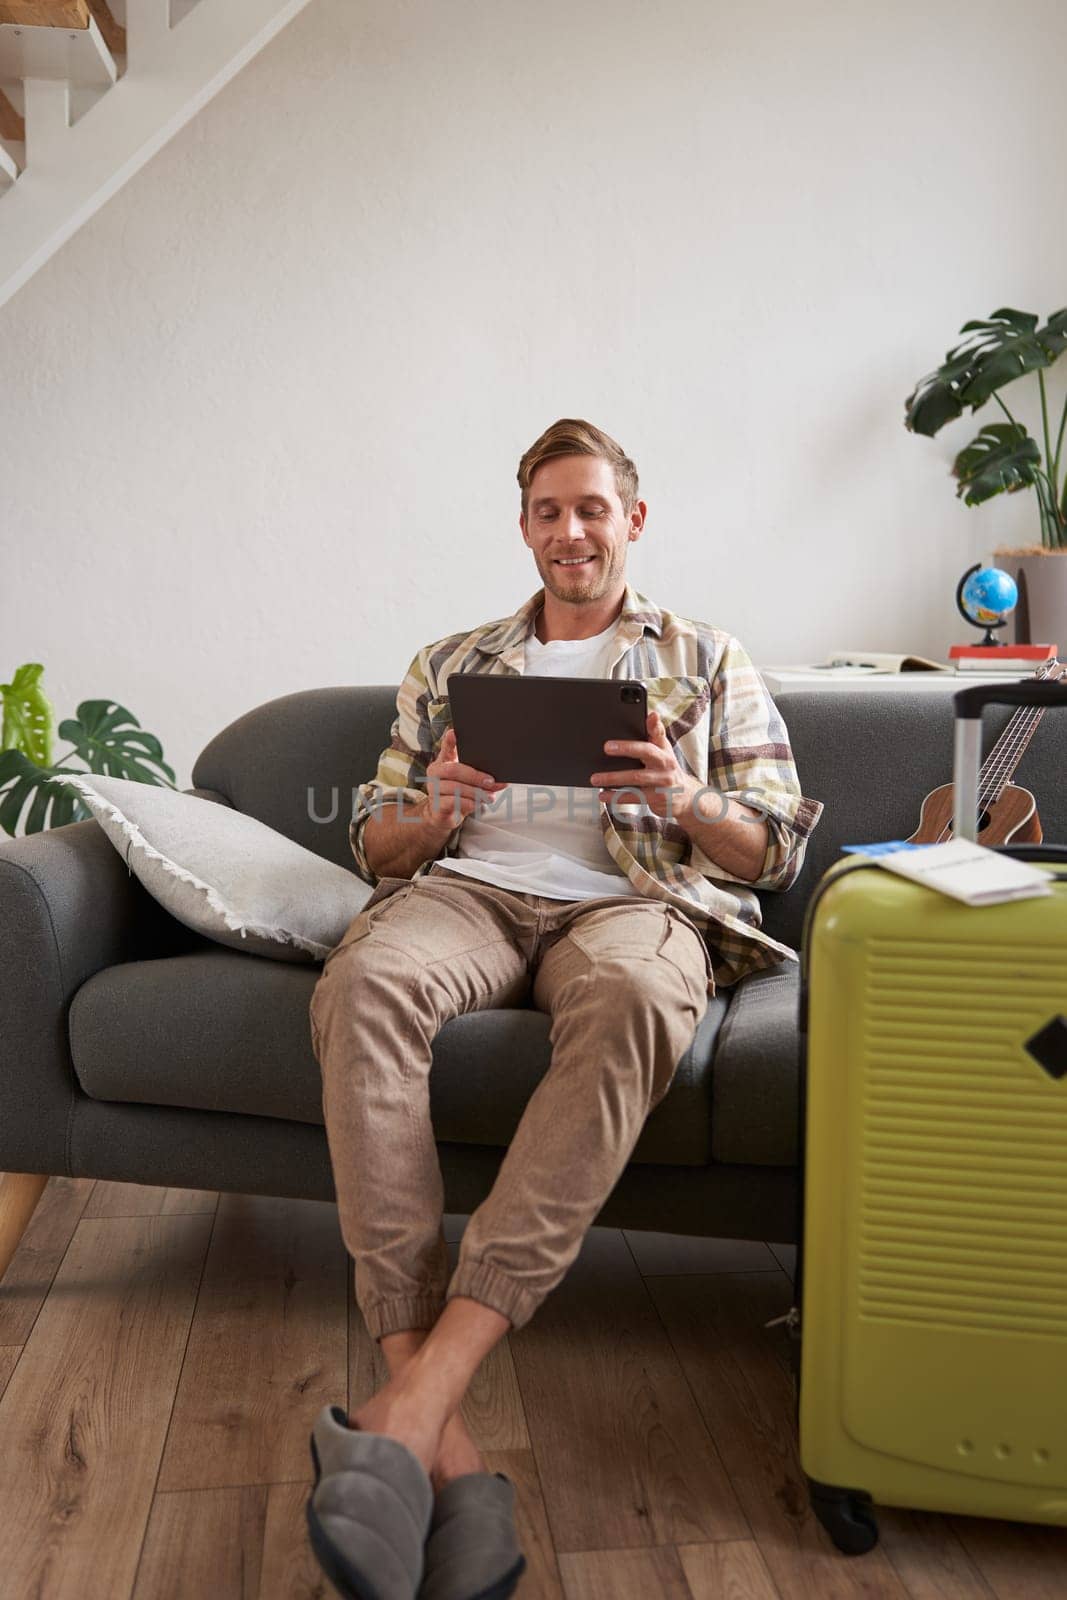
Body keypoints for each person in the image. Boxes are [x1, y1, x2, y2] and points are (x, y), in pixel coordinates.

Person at [306, 419, 823, 1600]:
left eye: (591, 508)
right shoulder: (453, 661)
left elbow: (772, 854)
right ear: (524, 524)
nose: (569, 531)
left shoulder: (704, 653)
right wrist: (433, 807)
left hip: (632, 901)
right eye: (547, 510)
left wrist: (686, 798)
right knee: (365, 979)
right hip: (473, 893)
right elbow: (378, 848)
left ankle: (413, 1402)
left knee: (642, 994)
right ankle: (426, 1408)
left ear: (630, 520)